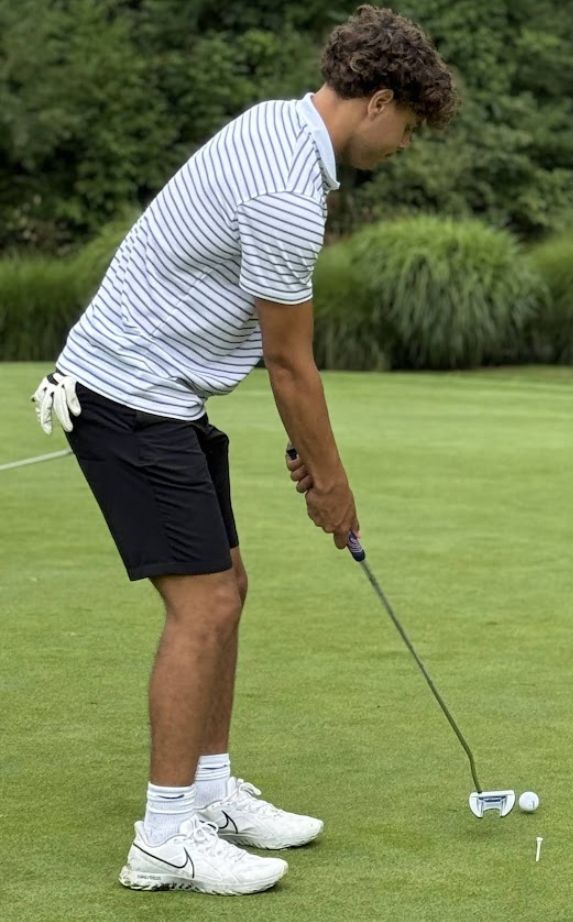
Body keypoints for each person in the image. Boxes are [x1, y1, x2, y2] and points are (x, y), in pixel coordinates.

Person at [30, 4, 457, 896]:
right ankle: (163, 841)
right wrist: (331, 486)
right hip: (127, 395)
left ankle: (210, 793)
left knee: (228, 585)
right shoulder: (286, 193)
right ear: (378, 102)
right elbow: (290, 363)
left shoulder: (277, 125)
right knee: (207, 605)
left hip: (161, 394)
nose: (404, 146)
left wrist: (315, 459)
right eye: (410, 127)